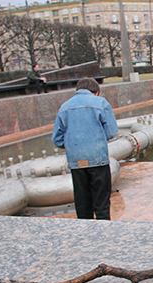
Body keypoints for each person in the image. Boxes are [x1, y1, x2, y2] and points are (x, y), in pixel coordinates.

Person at [51, 78, 118, 220]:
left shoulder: (64, 107)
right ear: (96, 92)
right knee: (102, 202)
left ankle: (85, 234)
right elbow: (111, 131)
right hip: (98, 159)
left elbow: (57, 139)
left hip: (76, 162)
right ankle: (104, 233)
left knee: (82, 202)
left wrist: (72, 144)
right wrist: (96, 140)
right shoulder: (101, 103)